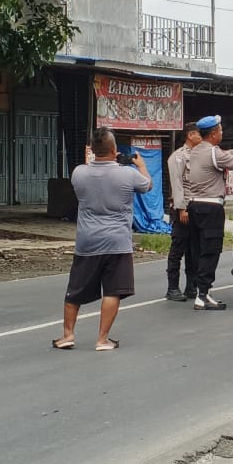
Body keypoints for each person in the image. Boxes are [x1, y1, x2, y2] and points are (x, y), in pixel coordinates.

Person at [52, 127, 152, 352]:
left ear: (92, 150)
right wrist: (141, 165)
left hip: (87, 241)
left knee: (75, 290)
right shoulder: (128, 174)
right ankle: (102, 339)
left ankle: (68, 335)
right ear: (115, 149)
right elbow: (148, 185)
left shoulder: (78, 172)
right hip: (117, 242)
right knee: (112, 291)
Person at [186, 114, 233, 310]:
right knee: (210, 251)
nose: (222, 133)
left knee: (199, 251)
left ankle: (201, 291)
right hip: (210, 208)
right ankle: (202, 296)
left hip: (194, 206)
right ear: (213, 134)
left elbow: (223, 156)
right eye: (220, 130)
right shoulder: (213, 152)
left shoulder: (197, 150)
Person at [165, 121, 201, 301]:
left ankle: (191, 286)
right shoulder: (177, 157)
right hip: (183, 208)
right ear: (190, 135)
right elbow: (177, 184)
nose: (201, 137)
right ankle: (172, 287)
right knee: (178, 248)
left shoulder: (199, 155)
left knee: (194, 250)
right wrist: (181, 208)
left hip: (196, 208)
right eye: (199, 134)